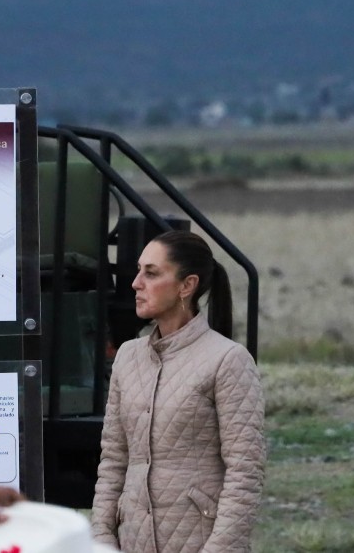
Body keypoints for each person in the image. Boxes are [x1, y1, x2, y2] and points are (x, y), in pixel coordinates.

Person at [91, 229, 266, 552]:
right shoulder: (127, 357)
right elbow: (114, 460)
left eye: (152, 273)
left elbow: (245, 471)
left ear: (187, 285)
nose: (136, 283)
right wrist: (101, 539)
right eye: (139, 270)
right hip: (132, 542)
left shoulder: (228, 360)